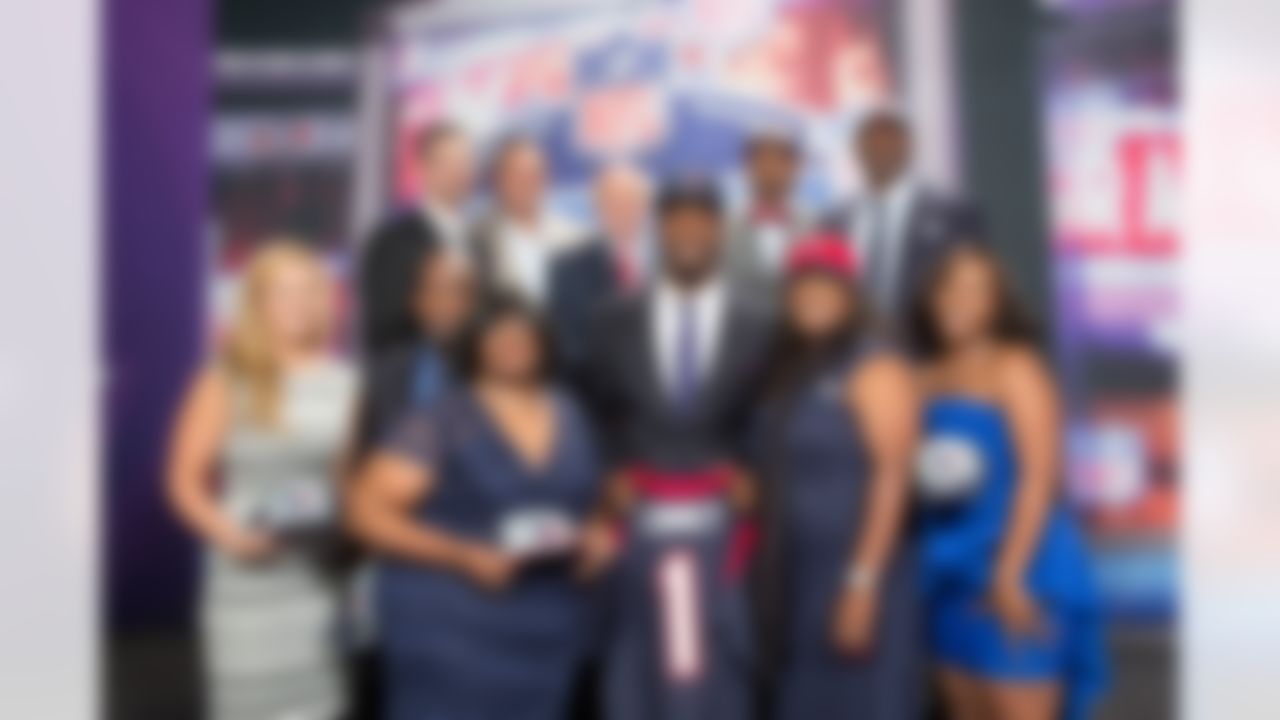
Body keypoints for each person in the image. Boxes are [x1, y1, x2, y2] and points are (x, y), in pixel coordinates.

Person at [348, 296, 602, 720]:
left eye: (523, 332)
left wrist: (596, 536)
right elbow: (364, 512)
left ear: (544, 341)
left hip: (546, 627)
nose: (513, 343)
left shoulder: (570, 411)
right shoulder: (445, 417)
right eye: (498, 333)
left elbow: (584, 503)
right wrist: (461, 554)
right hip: (450, 625)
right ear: (475, 345)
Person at [578, 178, 773, 720]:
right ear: (658, 229)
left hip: (726, 531)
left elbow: (772, 415)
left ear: (720, 229)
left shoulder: (761, 320)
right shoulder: (610, 317)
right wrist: (610, 473)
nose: (689, 230)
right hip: (638, 524)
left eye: (702, 218)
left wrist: (756, 473)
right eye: (676, 219)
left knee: (721, 667)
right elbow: (595, 413)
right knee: (637, 670)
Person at [908, 244, 1106, 720]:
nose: (959, 300)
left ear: (996, 305)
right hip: (947, 573)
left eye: (976, 291)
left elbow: (1040, 476)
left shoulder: (1016, 368)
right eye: (949, 287)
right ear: (932, 297)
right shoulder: (922, 376)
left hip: (1019, 568)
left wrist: (1010, 572)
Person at [167, 240, 357, 720]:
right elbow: (183, 481)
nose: (296, 303)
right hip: (246, 577)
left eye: (308, 290)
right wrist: (230, 536)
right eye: (280, 292)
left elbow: (347, 484)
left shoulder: (347, 382)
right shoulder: (224, 379)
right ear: (256, 303)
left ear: (325, 299)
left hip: (317, 577)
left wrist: (347, 544)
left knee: (319, 706)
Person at [753, 234, 924, 719]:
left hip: (854, 570)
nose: (812, 293)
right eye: (801, 284)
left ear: (851, 293)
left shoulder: (875, 362)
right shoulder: (794, 367)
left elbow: (894, 475)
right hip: (797, 576)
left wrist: (862, 582)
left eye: (826, 283)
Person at [825, 110, 982, 325]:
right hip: (852, 347)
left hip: (928, 345)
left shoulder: (954, 213)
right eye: (871, 139)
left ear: (910, 146)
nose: (880, 148)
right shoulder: (835, 220)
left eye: (890, 139)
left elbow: (973, 283)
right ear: (857, 149)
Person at [359, 120, 476, 354]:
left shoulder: (483, 240)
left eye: (464, 163)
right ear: (424, 168)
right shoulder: (391, 242)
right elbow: (387, 322)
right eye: (448, 162)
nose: (458, 172)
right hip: (416, 376)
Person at [354, 249, 477, 456]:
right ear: (415, 301)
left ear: (474, 302)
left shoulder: (495, 371)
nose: (444, 303)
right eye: (433, 291)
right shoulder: (384, 373)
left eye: (456, 292)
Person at [549, 162, 653, 371]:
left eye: (630, 201)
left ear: (647, 206)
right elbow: (570, 343)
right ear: (596, 207)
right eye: (612, 202)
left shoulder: (674, 261)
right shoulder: (568, 268)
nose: (622, 210)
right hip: (600, 391)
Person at [473, 136, 585, 307]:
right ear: (498, 180)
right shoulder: (476, 240)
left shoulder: (574, 239)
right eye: (516, 175)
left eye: (534, 174)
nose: (526, 183)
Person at [725, 128, 812, 304]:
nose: (771, 170)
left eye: (781, 161)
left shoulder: (816, 228)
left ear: (796, 168)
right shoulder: (724, 228)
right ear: (747, 167)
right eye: (762, 160)